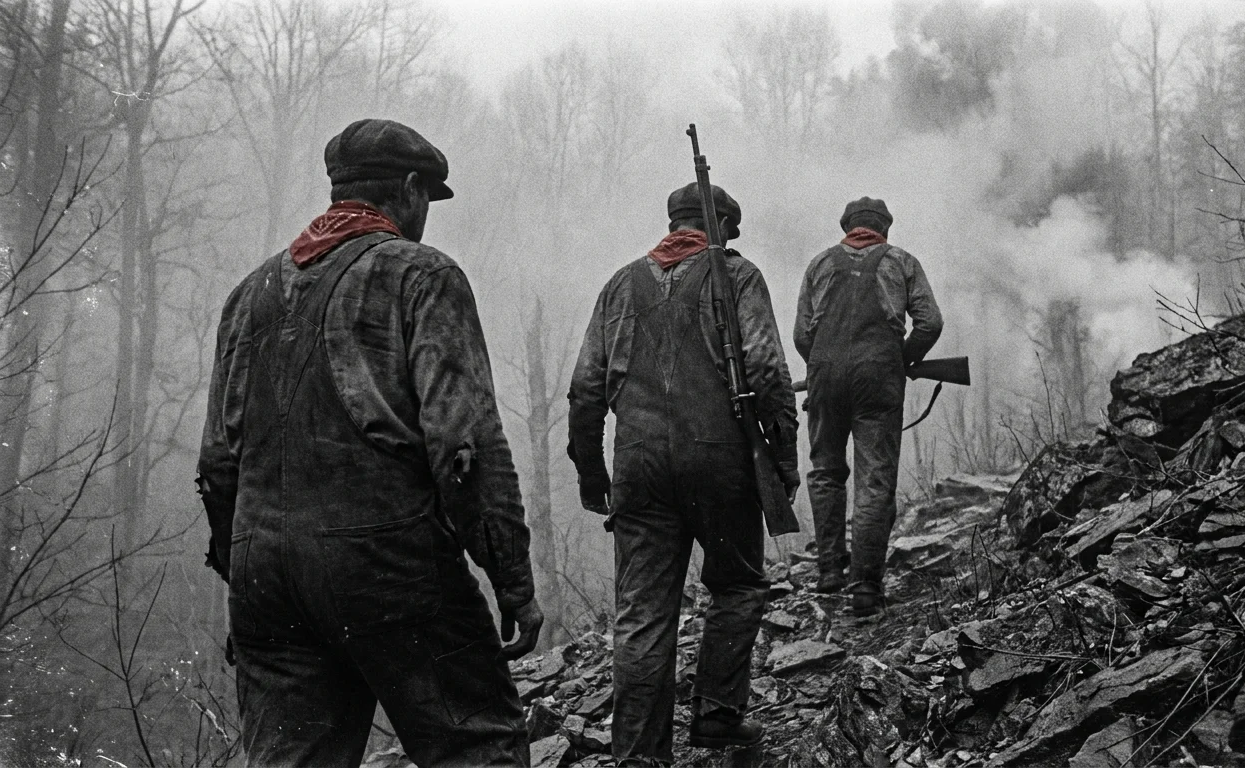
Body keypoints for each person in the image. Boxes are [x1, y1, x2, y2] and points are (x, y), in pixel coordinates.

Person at [196, 118, 541, 767]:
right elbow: (465, 450)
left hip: (265, 578)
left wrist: (240, 575)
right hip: (388, 564)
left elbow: (218, 465)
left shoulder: (249, 296)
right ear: (410, 189)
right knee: (479, 744)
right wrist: (512, 581)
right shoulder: (421, 274)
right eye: (427, 202)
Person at [567, 182, 799, 764]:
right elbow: (769, 369)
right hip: (720, 460)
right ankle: (718, 716)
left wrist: (594, 479)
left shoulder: (621, 283)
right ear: (720, 224)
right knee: (739, 584)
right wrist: (785, 456)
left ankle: (640, 756)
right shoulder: (739, 277)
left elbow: (584, 391)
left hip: (639, 466)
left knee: (642, 611)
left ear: (675, 222)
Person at [794, 197, 943, 617]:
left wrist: (825, 366)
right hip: (878, 378)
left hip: (823, 375)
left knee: (825, 472)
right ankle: (865, 589)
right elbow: (930, 322)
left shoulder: (819, 264)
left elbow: (802, 334)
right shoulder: (901, 261)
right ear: (884, 228)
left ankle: (828, 572)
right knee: (874, 481)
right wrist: (902, 358)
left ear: (847, 227)